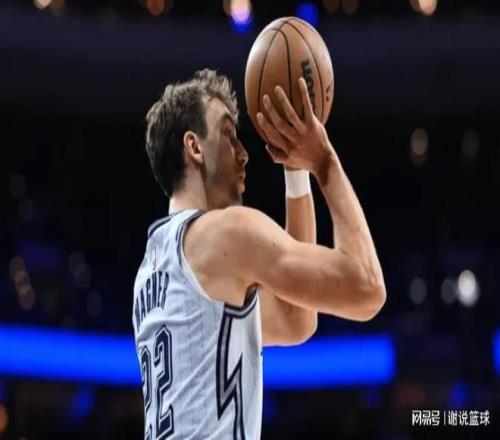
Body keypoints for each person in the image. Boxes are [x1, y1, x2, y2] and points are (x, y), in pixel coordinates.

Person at [132, 69, 385, 439]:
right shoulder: (224, 232)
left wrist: (295, 171)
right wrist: (324, 161)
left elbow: (296, 319)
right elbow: (366, 288)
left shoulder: (152, 268)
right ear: (194, 147)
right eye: (229, 135)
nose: (244, 154)